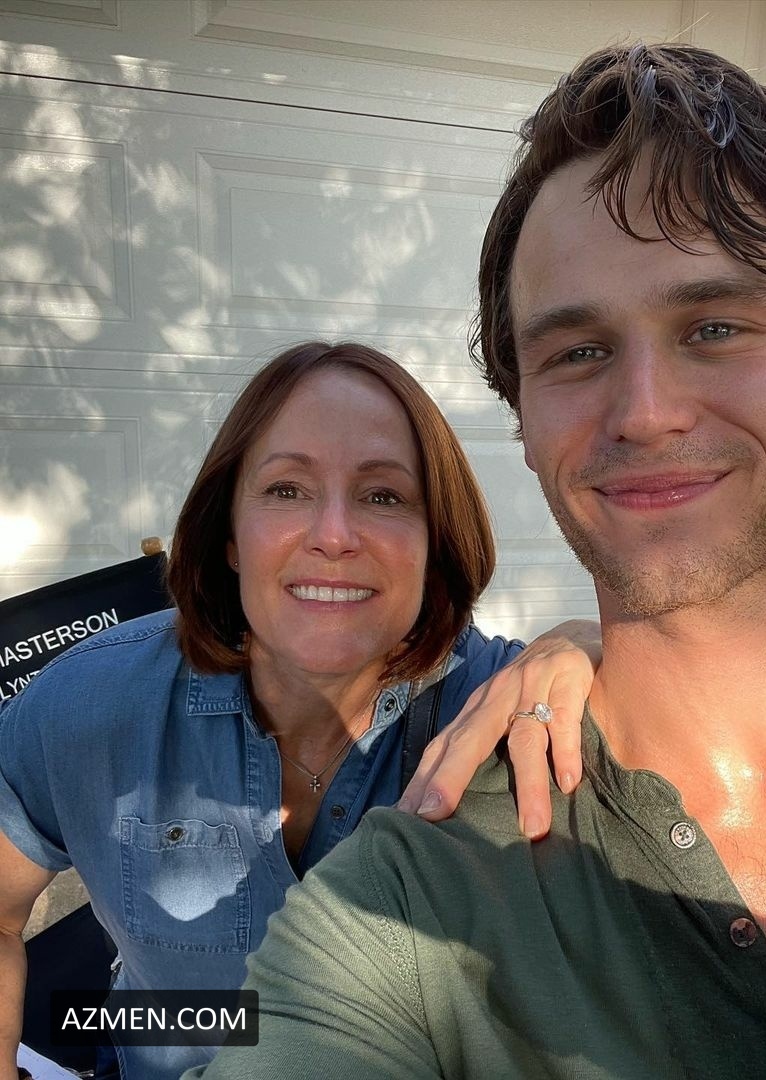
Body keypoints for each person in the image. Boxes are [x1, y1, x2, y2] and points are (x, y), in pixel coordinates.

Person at [195, 45, 766, 1080]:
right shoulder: (404, 904)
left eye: (714, 327)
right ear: (525, 421)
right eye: (578, 352)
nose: (646, 411)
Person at [0, 340, 601, 1080]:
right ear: (228, 534)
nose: (334, 536)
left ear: (435, 543)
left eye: (383, 496)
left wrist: (595, 645)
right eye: (286, 489)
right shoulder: (91, 701)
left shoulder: (507, 714)